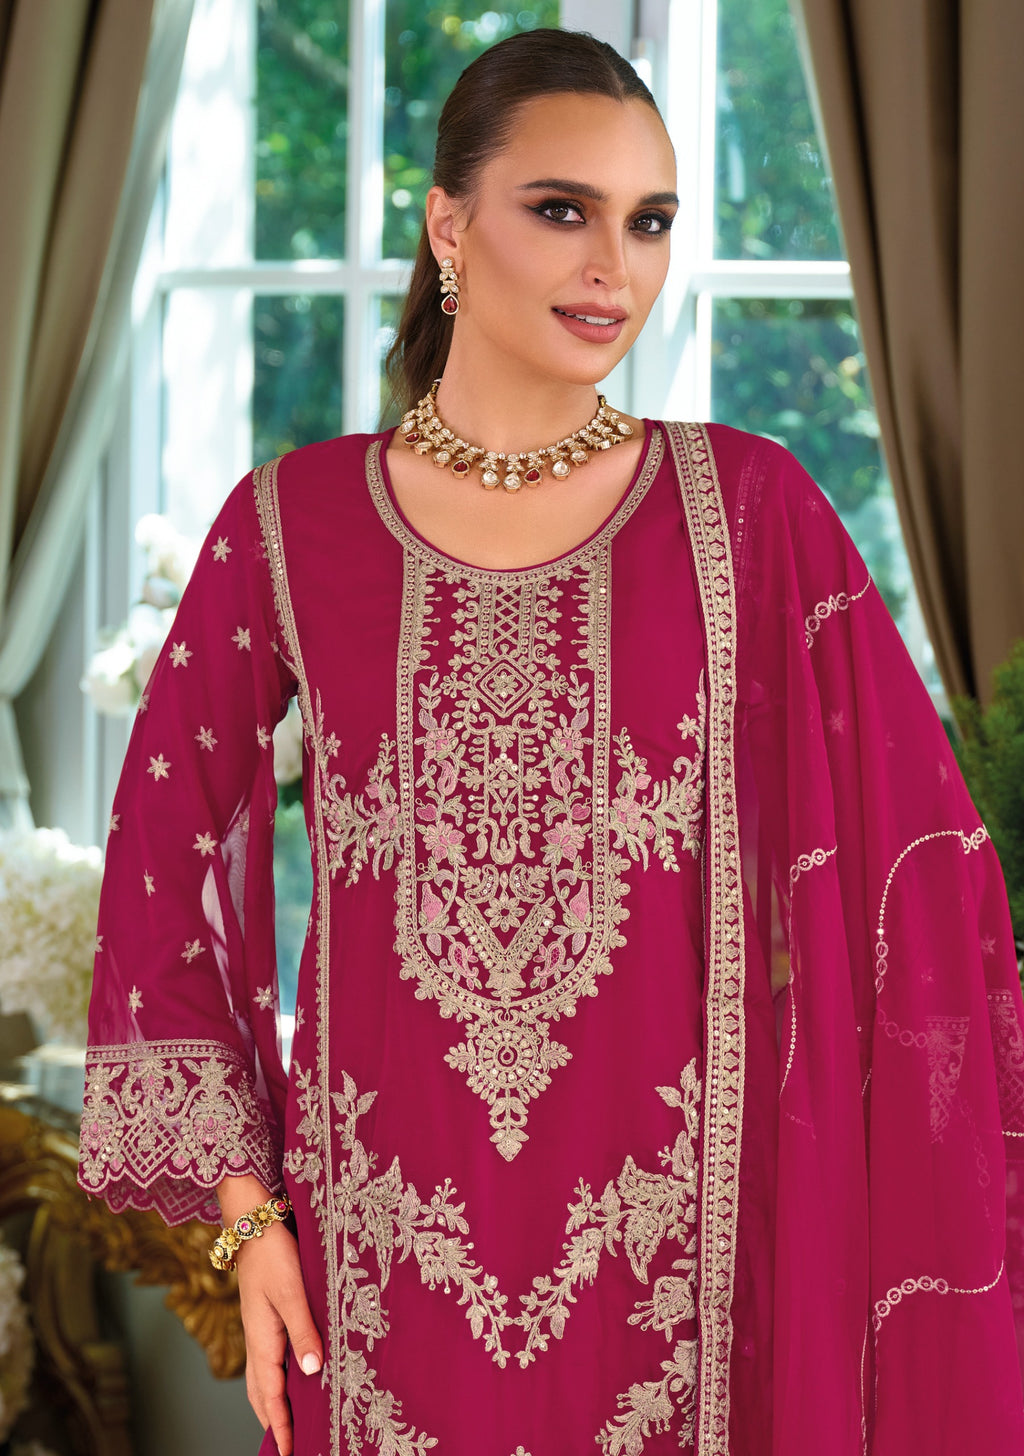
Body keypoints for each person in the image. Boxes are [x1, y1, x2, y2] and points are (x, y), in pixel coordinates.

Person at [78, 26, 1024, 1456]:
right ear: (448, 224)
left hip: (693, 1272)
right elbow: (157, 883)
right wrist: (249, 1223)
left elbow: (920, 884)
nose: (615, 267)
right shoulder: (289, 525)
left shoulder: (751, 514)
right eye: (563, 210)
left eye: (649, 222)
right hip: (375, 1271)